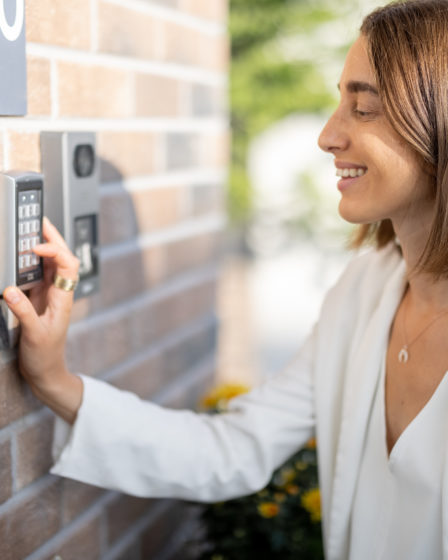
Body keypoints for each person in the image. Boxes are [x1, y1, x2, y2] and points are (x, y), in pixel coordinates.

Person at [4, 1, 448, 558]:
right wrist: (54, 379)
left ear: (439, 123)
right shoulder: (364, 291)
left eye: (364, 108)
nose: (328, 135)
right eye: (340, 101)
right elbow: (234, 450)